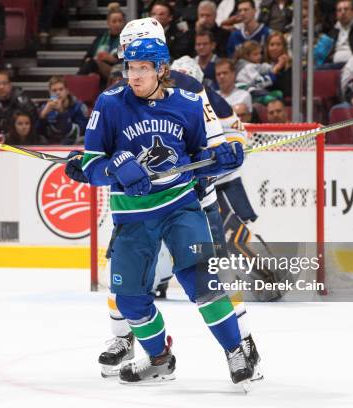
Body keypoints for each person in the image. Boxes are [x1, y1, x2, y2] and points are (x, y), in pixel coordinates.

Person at [67, 17, 264, 381]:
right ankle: (159, 359)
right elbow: (93, 164)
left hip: (181, 207)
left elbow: (210, 153)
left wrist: (226, 158)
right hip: (133, 216)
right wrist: (113, 168)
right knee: (128, 298)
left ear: (160, 68)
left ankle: (238, 350)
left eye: (143, 68)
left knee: (202, 283)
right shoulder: (110, 104)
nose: (134, 75)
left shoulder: (189, 101)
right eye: (129, 67)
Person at [0, 69, 38, 141]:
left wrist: (9, 136)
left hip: (22, 141)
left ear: (10, 85)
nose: (1, 87)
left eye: (4, 83)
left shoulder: (23, 102)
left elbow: (32, 124)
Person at [78, 3, 125, 83]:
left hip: (115, 69)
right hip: (96, 69)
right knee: (90, 64)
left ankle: (75, 81)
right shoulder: (101, 38)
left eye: (120, 21)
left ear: (124, 22)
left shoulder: (125, 39)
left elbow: (126, 61)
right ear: (108, 23)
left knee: (92, 64)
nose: (117, 24)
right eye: (114, 21)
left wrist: (112, 59)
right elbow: (87, 57)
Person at [38, 76, 89, 145]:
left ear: (67, 91)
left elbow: (80, 132)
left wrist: (61, 111)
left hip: (74, 143)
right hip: (50, 144)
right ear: (50, 93)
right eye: (54, 90)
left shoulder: (79, 107)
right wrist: (43, 115)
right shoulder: (45, 107)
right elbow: (38, 132)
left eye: (61, 89)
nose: (58, 93)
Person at [320, 0, 353, 67]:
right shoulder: (333, 31)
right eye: (339, 10)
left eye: (346, 9)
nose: (343, 12)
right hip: (332, 66)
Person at [264, 31, 292, 98]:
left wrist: (286, 68)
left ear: (284, 47)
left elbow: (288, 92)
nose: (275, 48)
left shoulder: (291, 66)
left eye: (278, 44)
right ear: (267, 48)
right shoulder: (260, 65)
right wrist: (276, 69)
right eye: (272, 45)